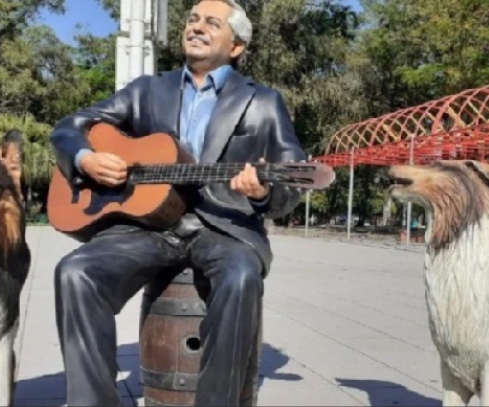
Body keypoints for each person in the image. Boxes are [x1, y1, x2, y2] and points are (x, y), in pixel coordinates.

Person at [48, 0, 307, 406]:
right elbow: (69, 128)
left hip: (226, 228)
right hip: (148, 226)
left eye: (211, 22)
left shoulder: (263, 102)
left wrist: (263, 191)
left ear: (236, 46)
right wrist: (87, 159)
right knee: (75, 271)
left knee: (241, 276)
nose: (197, 26)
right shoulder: (148, 90)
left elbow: (291, 176)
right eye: (192, 19)